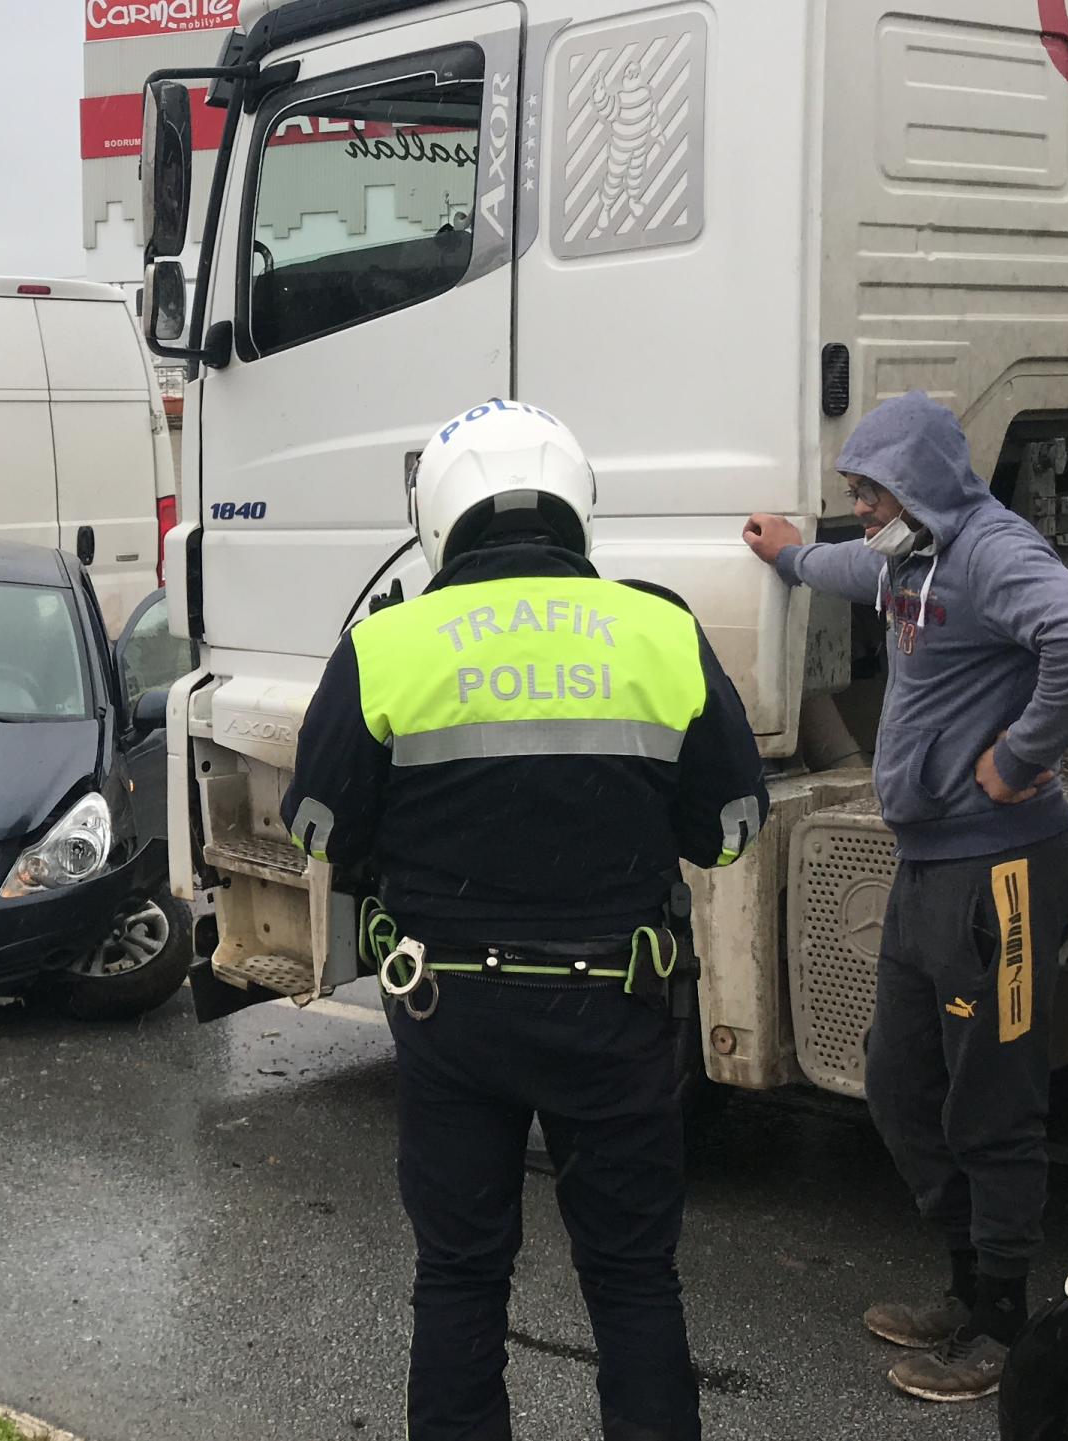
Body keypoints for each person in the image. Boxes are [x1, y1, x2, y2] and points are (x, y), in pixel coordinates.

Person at [281, 400, 767, 1441]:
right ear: (575, 503)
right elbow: (729, 827)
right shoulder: (660, 628)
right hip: (618, 1009)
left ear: (436, 516)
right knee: (634, 1279)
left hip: (450, 1012)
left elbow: (320, 827)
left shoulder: (387, 643)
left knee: (459, 1275)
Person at [743, 391, 1068, 1402]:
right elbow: (852, 569)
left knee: (992, 1102)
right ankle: (966, 1284)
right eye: (854, 491)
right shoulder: (908, 562)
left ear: (916, 485)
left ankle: (1002, 1321)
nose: (860, 510)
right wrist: (788, 555)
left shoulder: (990, 552)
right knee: (899, 1081)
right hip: (929, 866)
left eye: (870, 492)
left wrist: (1019, 756)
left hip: (1003, 871)